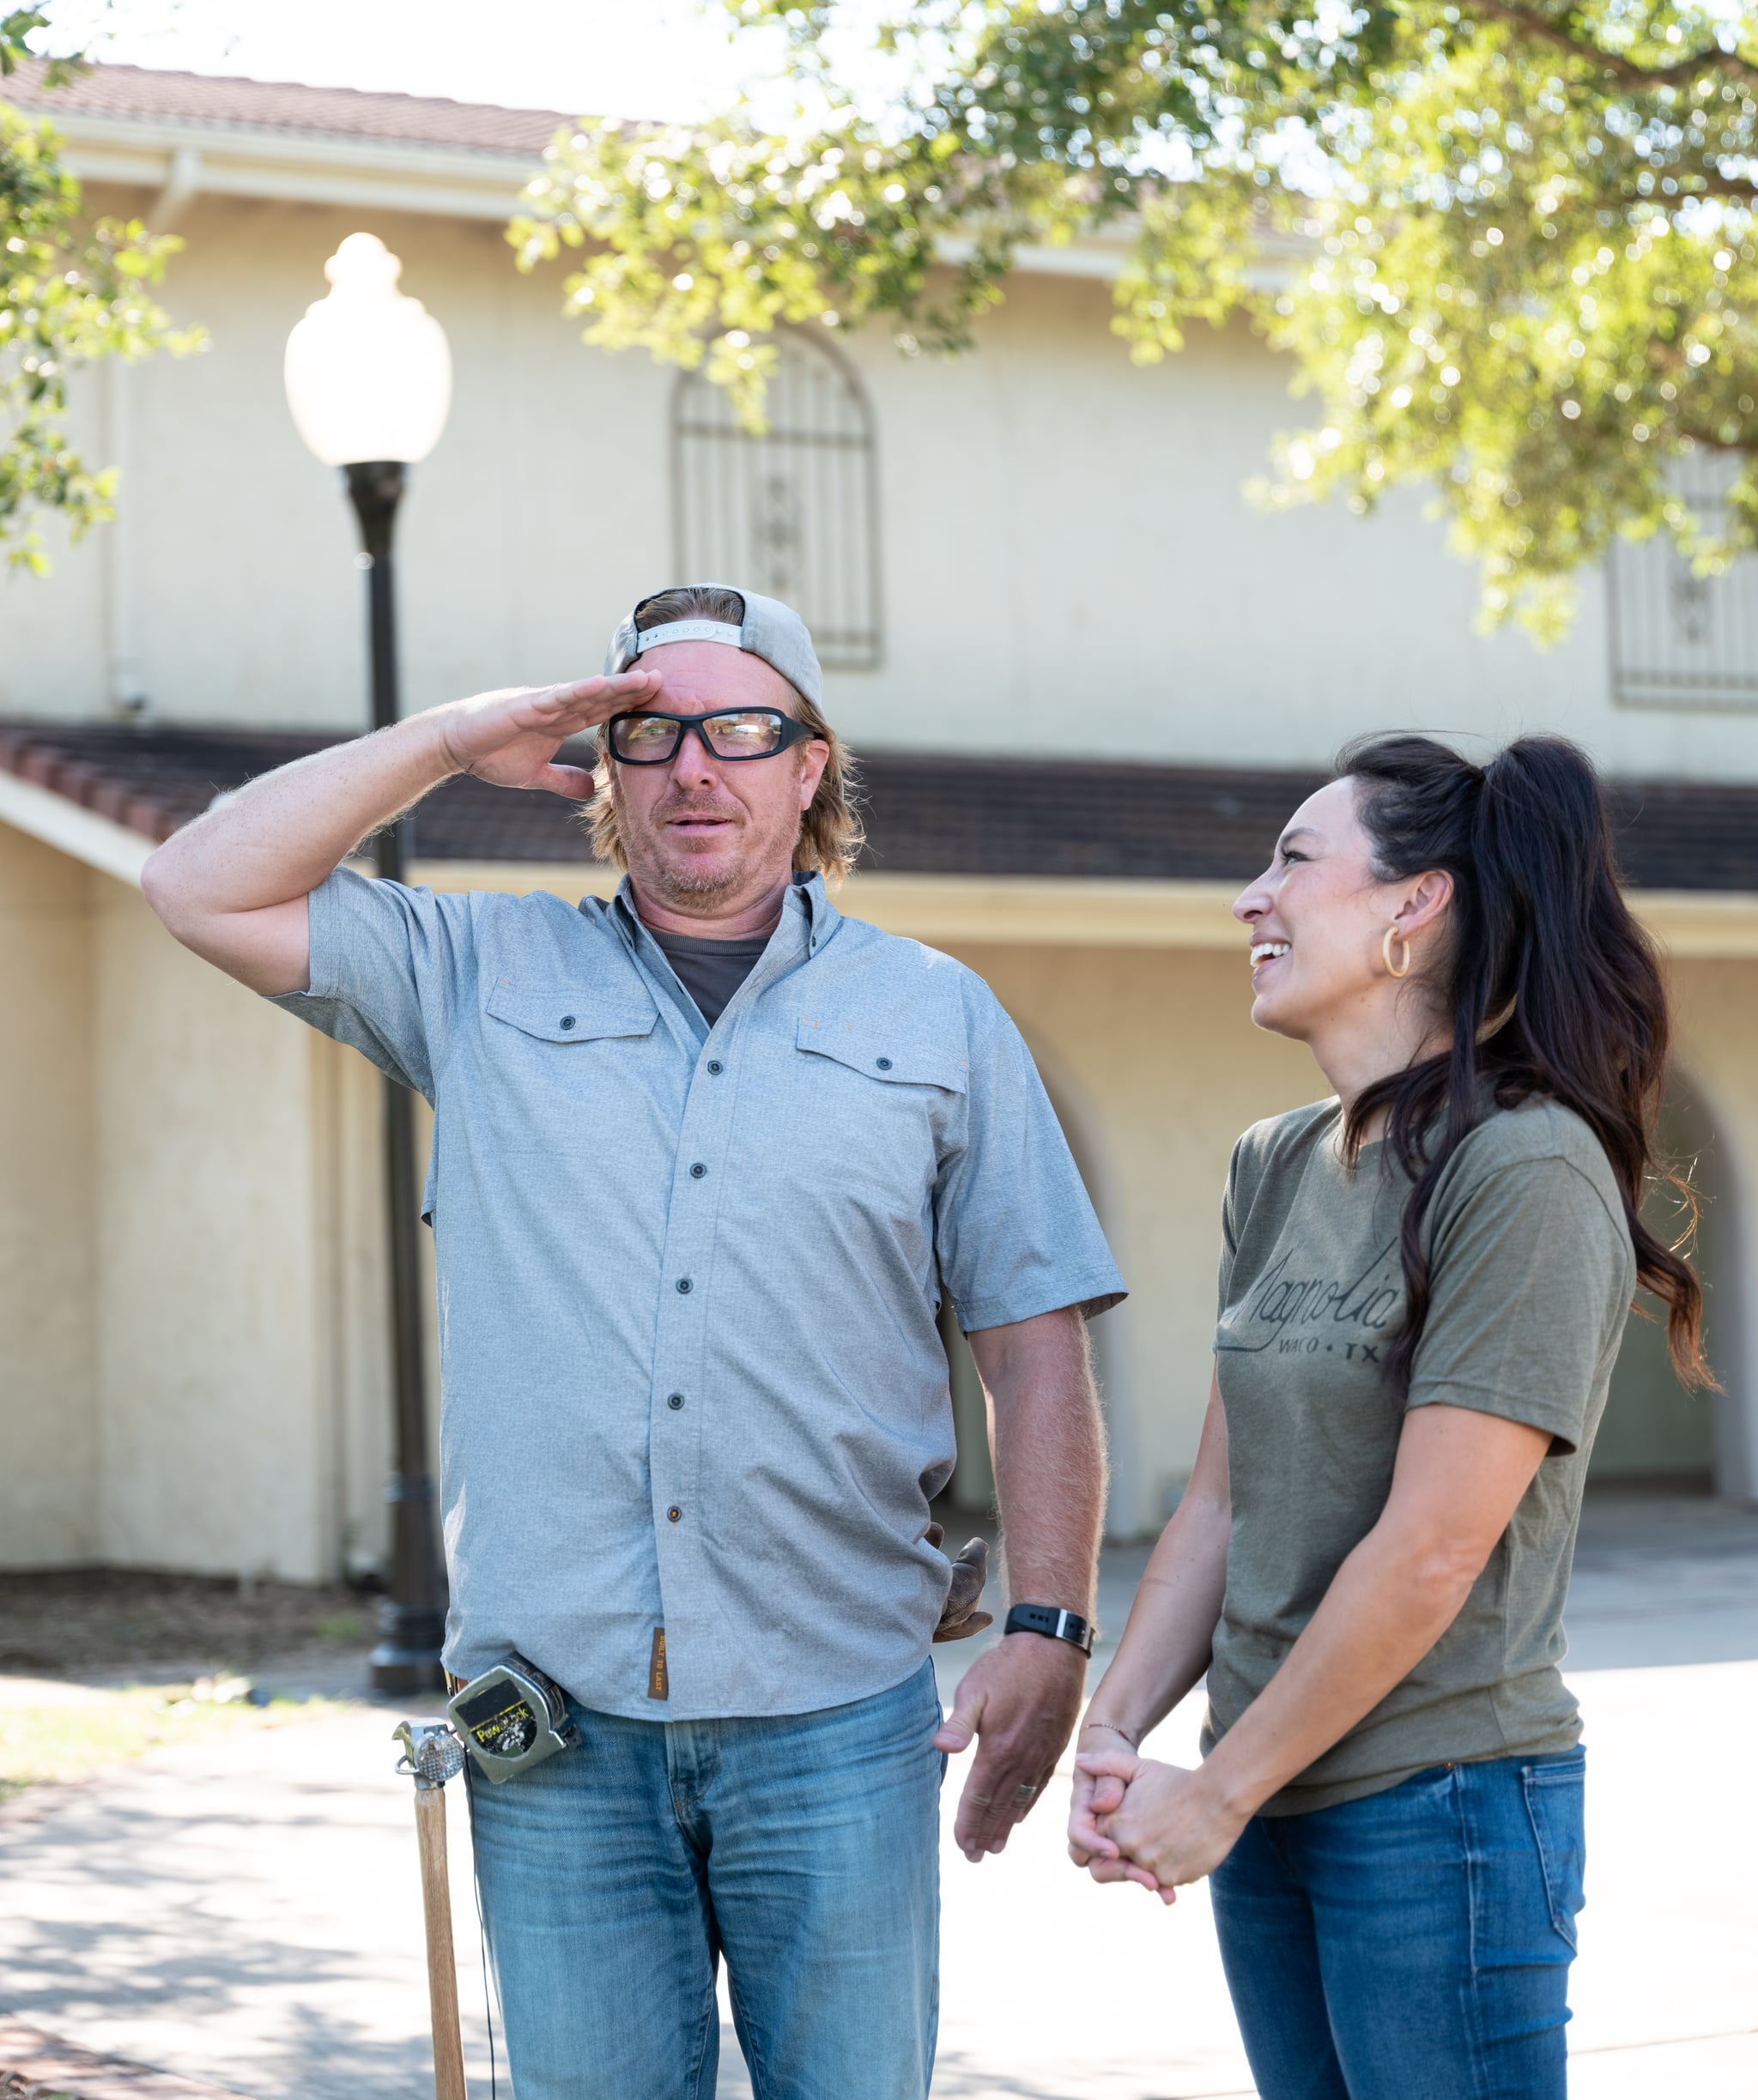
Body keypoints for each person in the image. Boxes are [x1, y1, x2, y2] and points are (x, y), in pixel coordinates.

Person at [141, 582, 1124, 2100]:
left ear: (812, 768)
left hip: (838, 1714)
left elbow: (1034, 1342)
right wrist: (460, 737)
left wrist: (1049, 1627)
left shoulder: (940, 1019)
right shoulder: (475, 978)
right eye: (647, 731)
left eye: (743, 728)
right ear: (599, 772)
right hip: (560, 1730)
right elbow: (199, 884)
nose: (693, 766)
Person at [1065, 735, 1711, 2100]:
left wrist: (1220, 1791)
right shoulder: (1276, 1163)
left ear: (1414, 906)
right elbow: (1220, 1509)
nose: (1252, 898)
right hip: (1270, 1801)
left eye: (1294, 861)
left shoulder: (1525, 1164)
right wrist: (1117, 1732)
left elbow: (1432, 1548)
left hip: (1442, 1812)